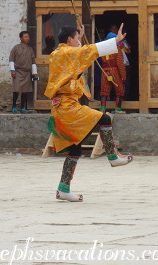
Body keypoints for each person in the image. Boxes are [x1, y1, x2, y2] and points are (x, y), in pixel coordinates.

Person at [46, 24, 133, 202]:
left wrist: (81, 34)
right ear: (69, 40)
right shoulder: (64, 53)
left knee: (75, 149)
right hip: (66, 107)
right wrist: (114, 41)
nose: (79, 41)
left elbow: (79, 53)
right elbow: (86, 51)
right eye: (76, 38)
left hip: (63, 107)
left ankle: (63, 189)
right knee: (105, 118)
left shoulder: (60, 53)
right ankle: (112, 155)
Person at [9, 31, 38, 114]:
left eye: (28, 37)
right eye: (25, 37)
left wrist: (34, 72)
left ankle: (22, 107)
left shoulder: (30, 49)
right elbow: (11, 59)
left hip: (27, 72)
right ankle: (14, 106)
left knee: (25, 90)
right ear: (21, 38)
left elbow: (33, 62)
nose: (27, 38)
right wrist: (12, 70)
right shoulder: (16, 48)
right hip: (18, 71)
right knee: (16, 89)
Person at [99, 32, 127, 114]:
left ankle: (102, 108)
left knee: (104, 91)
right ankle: (117, 109)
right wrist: (123, 77)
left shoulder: (103, 49)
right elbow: (120, 64)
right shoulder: (117, 49)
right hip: (114, 71)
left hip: (104, 71)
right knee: (119, 90)